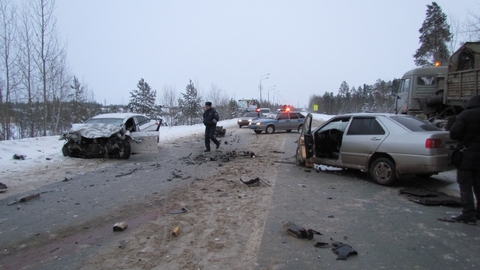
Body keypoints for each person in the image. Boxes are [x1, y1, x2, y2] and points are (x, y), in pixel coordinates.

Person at [449, 94, 480, 225]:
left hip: (467, 156)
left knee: (465, 185)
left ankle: (468, 214)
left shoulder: (466, 115)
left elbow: (454, 133)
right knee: (479, 185)